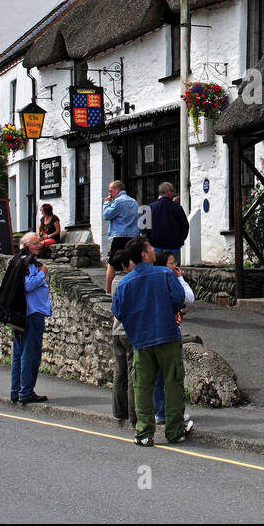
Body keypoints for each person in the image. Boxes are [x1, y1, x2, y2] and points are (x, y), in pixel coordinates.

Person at [111, 236, 191, 446]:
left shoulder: (124, 283)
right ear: (144, 254)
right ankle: (174, 431)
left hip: (140, 339)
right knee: (173, 383)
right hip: (166, 335)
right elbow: (178, 298)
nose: (154, 249)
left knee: (142, 386)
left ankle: (144, 433)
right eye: (150, 247)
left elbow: (118, 312)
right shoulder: (164, 274)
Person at [149, 250, 195, 425]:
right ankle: (170, 413)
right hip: (169, 332)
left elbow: (190, 299)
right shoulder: (165, 281)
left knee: (159, 376)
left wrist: (180, 278)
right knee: (172, 375)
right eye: (171, 263)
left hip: (157, 332)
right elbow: (185, 299)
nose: (175, 266)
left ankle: (160, 412)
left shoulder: (167, 279)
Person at [6, 233, 51, 405]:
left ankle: (16, 391)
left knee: (19, 353)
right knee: (29, 354)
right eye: (35, 243)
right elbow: (28, 285)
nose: (39, 245)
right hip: (31, 313)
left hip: (21, 313)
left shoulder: (18, 260)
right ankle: (26, 391)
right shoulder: (29, 262)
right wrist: (42, 274)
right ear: (25, 245)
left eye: (39, 242)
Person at [109, 245, 138, 427]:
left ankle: (119, 411)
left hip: (116, 331)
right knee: (132, 374)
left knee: (119, 374)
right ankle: (134, 414)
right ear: (125, 265)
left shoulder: (115, 282)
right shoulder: (128, 282)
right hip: (128, 332)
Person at [102, 181, 140, 294]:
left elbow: (107, 215)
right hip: (133, 236)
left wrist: (106, 203)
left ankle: (108, 291)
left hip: (120, 236)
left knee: (112, 263)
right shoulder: (134, 202)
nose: (109, 194)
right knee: (132, 262)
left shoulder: (118, 202)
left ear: (117, 189)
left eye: (110, 191)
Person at [148, 182, 189, 261]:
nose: (173, 194)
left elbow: (144, 229)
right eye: (173, 191)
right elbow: (185, 226)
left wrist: (150, 242)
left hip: (155, 248)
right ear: (168, 192)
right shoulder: (177, 208)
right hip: (174, 248)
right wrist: (180, 241)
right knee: (174, 271)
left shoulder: (150, 207)